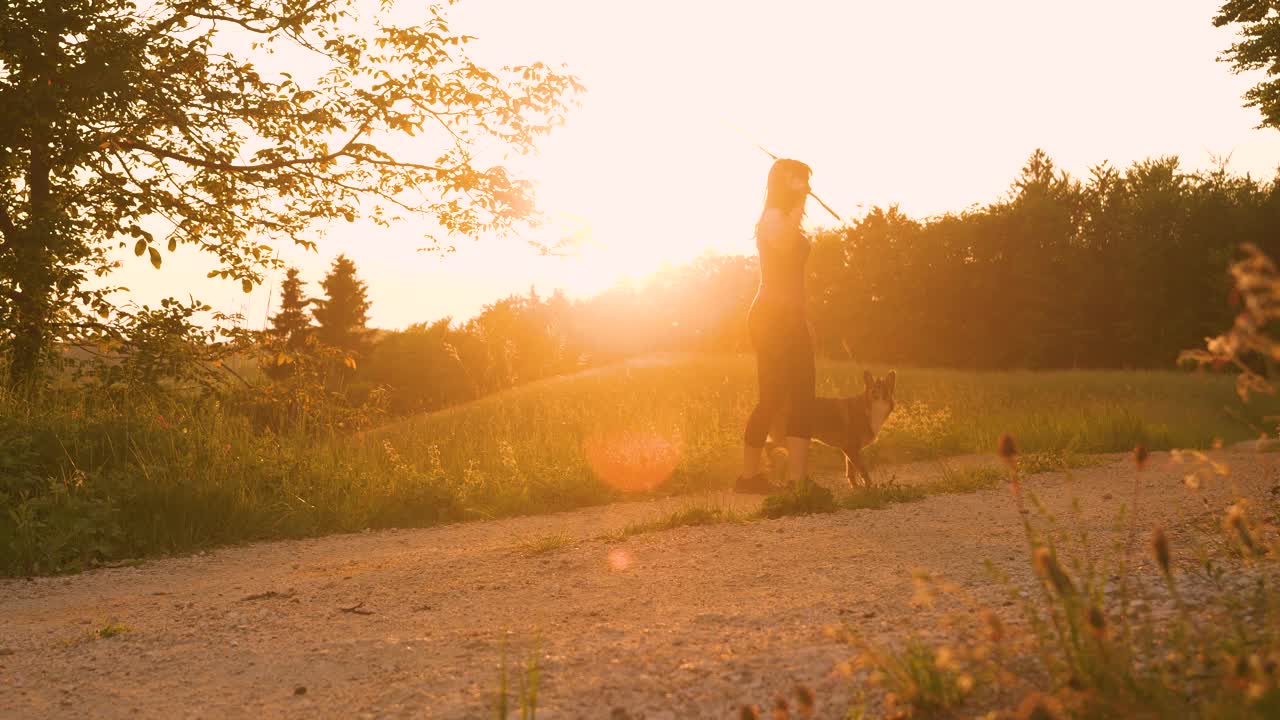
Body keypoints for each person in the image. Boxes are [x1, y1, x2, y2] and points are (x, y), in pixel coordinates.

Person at [736, 158, 815, 493]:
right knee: (771, 396)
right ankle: (749, 478)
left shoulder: (790, 219)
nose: (806, 186)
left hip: (791, 315)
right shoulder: (773, 219)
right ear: (785, 183)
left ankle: (797, 479)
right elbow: (782, 248)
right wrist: (798, 200)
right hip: (770, 316)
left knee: (802, 396)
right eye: (799, 179)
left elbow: (795, 280)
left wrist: (806, 320)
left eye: (806, 180)